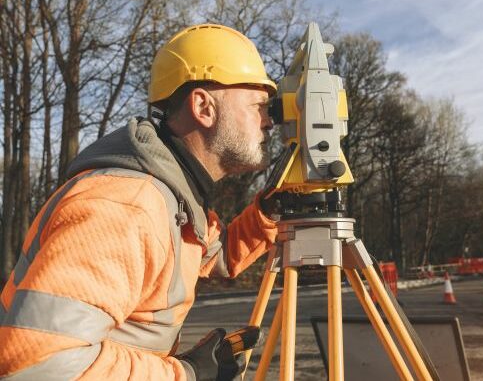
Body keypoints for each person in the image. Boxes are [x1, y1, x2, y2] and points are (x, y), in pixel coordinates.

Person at [0, 24, 278, 380]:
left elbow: (215, 257)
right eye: (258, 105)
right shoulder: (127, 205)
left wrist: (267, 213)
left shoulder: (175, 200)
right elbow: (39, 364)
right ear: (203, 107)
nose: (269, 121)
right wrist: (186, 374)